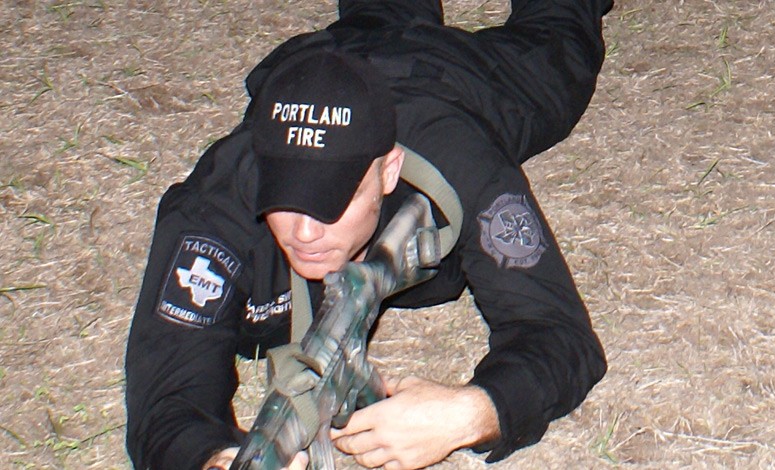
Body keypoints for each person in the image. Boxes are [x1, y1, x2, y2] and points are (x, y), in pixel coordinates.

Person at [124, 0, 613, 469]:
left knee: (561, 42)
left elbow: (559, 335)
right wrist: (211, 459)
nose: (305, 232)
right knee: (380, 13)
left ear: (388, 171)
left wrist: (469, 414)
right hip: (333, 59)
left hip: (449, 78)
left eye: (332, 201)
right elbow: (168, 394)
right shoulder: (217, 205)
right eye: (285, 198)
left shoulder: (461, 164)